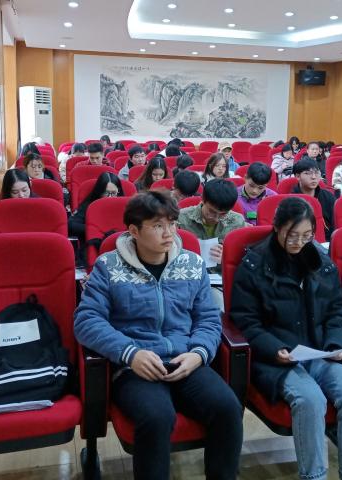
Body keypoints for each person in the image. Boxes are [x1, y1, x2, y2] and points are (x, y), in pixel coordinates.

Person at [74, 191, 243, 480]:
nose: (169, 233)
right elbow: (86, 321)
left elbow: (208, 318)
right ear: (134, 231)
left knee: (228, 408)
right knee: (157, 417)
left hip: (185, 359)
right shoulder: (108, 266)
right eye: (157, 226)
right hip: (135, 366)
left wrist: (198, 353)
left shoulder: (192, 264)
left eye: (172, 224)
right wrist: (130, 353)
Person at [230, 197, 342, 480]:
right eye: (292, 235)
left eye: (307, 235)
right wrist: (275, 349)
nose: (299, 242)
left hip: (320, 350)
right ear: (277, 227)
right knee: (310, 400)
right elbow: (245, 321)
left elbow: (337, 309)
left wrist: (337, 344)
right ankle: (314, 475)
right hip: (279, 357)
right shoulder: (254, 264)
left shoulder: (320, 261)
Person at [178, 178, 246, 269]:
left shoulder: (237, 221)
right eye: (211, 211)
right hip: (188, 270)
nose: (216, 218)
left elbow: (242, 257)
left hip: (221, 273)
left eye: (223, 214)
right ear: (203, 199)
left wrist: (228, 257)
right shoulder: (181, 218)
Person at [68, 172, 124, 266]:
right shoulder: (90, 205)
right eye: (106, 193)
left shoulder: (125, 205)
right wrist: (95, 230)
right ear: (99, 191)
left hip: (122, 248)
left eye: (114, 193)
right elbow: (71, 225)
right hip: (96, 249)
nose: (110, 197)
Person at [292, 158, 335, 242]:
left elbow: (336, 223)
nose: (314, 177)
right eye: (308, 173)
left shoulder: (328, 196)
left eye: (316, 172)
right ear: (297, 176)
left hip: (329, 241)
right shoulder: (292, 200)